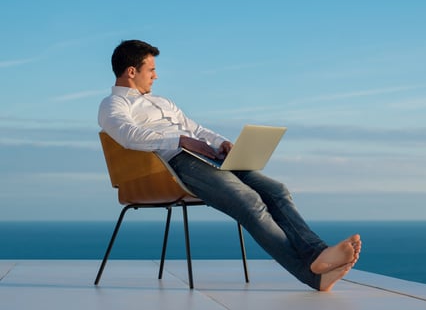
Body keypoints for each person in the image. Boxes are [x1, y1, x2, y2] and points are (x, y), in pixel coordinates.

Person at [98, 39, 361, 291]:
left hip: (208, 156)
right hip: (174, 166)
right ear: (132, 71)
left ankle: (317, 254)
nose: (155, 76)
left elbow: (196, 128)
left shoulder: (163, 101)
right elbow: (128, 136)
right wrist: (182, 141)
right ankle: (311, 274)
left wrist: (222, 143)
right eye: (151, 70)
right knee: (249, 200)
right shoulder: (113, 104)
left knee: (276, 190)